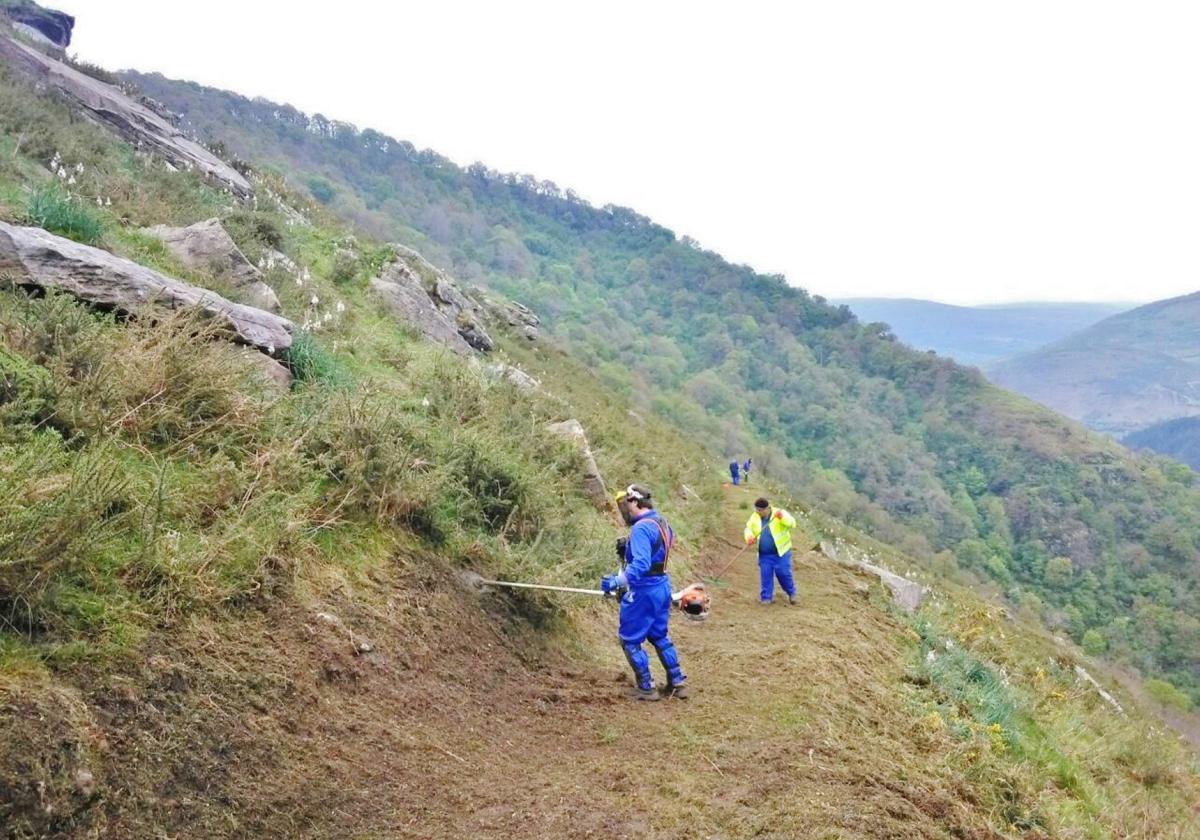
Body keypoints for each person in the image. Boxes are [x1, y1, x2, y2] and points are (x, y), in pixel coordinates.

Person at [600, 485, 689, 701]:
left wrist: (616, 581)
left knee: (630, 640)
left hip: (644, 590)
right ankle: (677, 681)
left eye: (626, 505)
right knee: (659, 635)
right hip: (662, 587)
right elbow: (657, 552)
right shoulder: (662, 523)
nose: (625, 511)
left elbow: (640, 564)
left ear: (634, 502)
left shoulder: (640, 528)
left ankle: (646, 686)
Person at [744, 497, 798, 605]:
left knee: (783, 573)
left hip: (781, 553)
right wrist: (749, 537)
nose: (758, 512)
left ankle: (791, 593)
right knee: (766, 575)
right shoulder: (754, 517)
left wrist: (782, 518)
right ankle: (766, 598)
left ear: (767, 508)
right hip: (764, 554)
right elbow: (748, 528)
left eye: (760, 510)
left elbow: (792, 523)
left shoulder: (779, 513)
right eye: (756, 509)